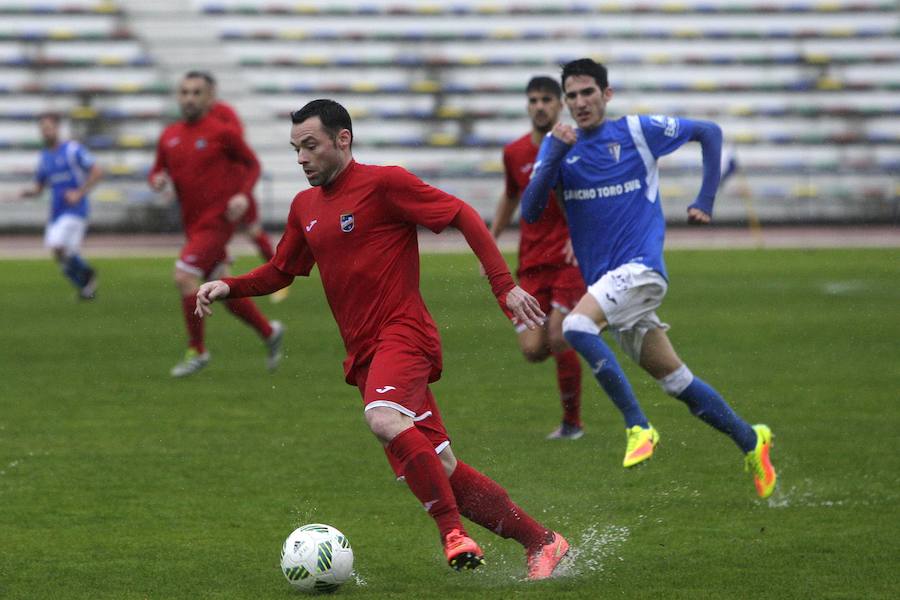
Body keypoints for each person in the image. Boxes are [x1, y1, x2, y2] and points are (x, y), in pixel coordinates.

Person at [195, 99, 570, 578]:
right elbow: (280, 271)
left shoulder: (384, 183)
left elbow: (462, 214)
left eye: (310, 146)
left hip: (404, 335)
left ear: (342, 140)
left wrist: (505, 286)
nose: (302, 158)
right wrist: (229, 286)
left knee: (383, 418)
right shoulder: (304, 206)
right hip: (366, 356)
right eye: (296, 149)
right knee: (442, 469)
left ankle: (452, 534)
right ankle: (542, 542)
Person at [521, 58, 777, 498]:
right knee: (678, 383)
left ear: (607, 94)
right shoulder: (558, 146)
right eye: (573, 96)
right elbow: (529, 211)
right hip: (608, 286)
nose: (580, 103)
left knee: (577, 326)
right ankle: (752, 440)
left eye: (588, 93)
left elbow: (710, 132)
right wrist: (555, 153)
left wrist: (706, 199)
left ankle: (639, 426)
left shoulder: (637, 132)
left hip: (641, 271)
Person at [148, 71, 284, 378]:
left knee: (184, 276)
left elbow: (253, 164)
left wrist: (243, 195)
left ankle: (197, 350)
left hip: (216, 222)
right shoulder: (169, 135)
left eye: (197, 92)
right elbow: (157, 169)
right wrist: (156, 179)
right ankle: (268, 331)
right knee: (219, 287)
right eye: (184, 92)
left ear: (210, 97)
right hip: (192, 224)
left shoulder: (222, 132)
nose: (189, 98)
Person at [489, 76, 586, 440]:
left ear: (560, 104)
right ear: (527, 106)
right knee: (533, 349)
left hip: (568, 258)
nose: (540, 106)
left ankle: (572, 424)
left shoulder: (574, 146)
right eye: (534, 100)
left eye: (547, 99)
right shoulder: (514, 152)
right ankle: (588, 333)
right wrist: (491, 239)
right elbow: (511, 195)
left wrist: (582, 237)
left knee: (560, 335)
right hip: (531, 261)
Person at [200, 72, 288, 303]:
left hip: (236, 184)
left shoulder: (223, 113)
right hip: (213, 188)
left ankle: (280, 274)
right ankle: (222, 266)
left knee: (252, 230)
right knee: (214, 230)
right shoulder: (193, 120)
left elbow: (236, 143)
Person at [19, 112, 102, 300]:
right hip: (56, 212)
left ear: (57, 128)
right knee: (63, 256)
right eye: (43, 130)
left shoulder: (73, 150)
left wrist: (79, 193)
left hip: (75, 210)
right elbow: (40, 187)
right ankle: (86, 288)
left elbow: (97, 172)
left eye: (49, 128)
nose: (46, 132)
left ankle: (88, 273)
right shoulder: (45, 157)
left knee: (57, 245)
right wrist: (29, 192)